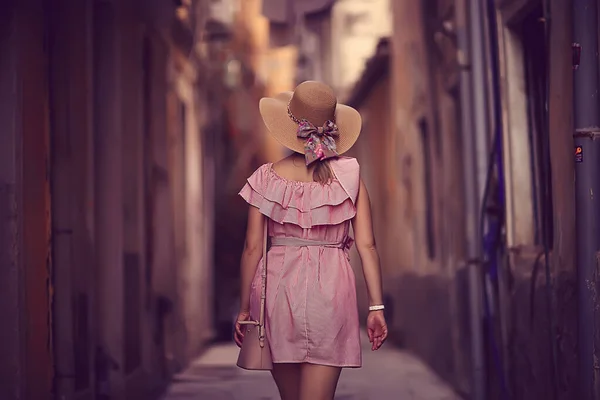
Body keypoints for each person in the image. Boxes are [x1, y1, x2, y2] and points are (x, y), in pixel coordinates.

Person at [234, 81, 388, 400]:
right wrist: (376, 306)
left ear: (290, 128)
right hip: (331, 294)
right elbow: (367, 246)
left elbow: (251, 248)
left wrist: (244, 309)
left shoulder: (266, 178)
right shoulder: (350, 179)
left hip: (277, 292)